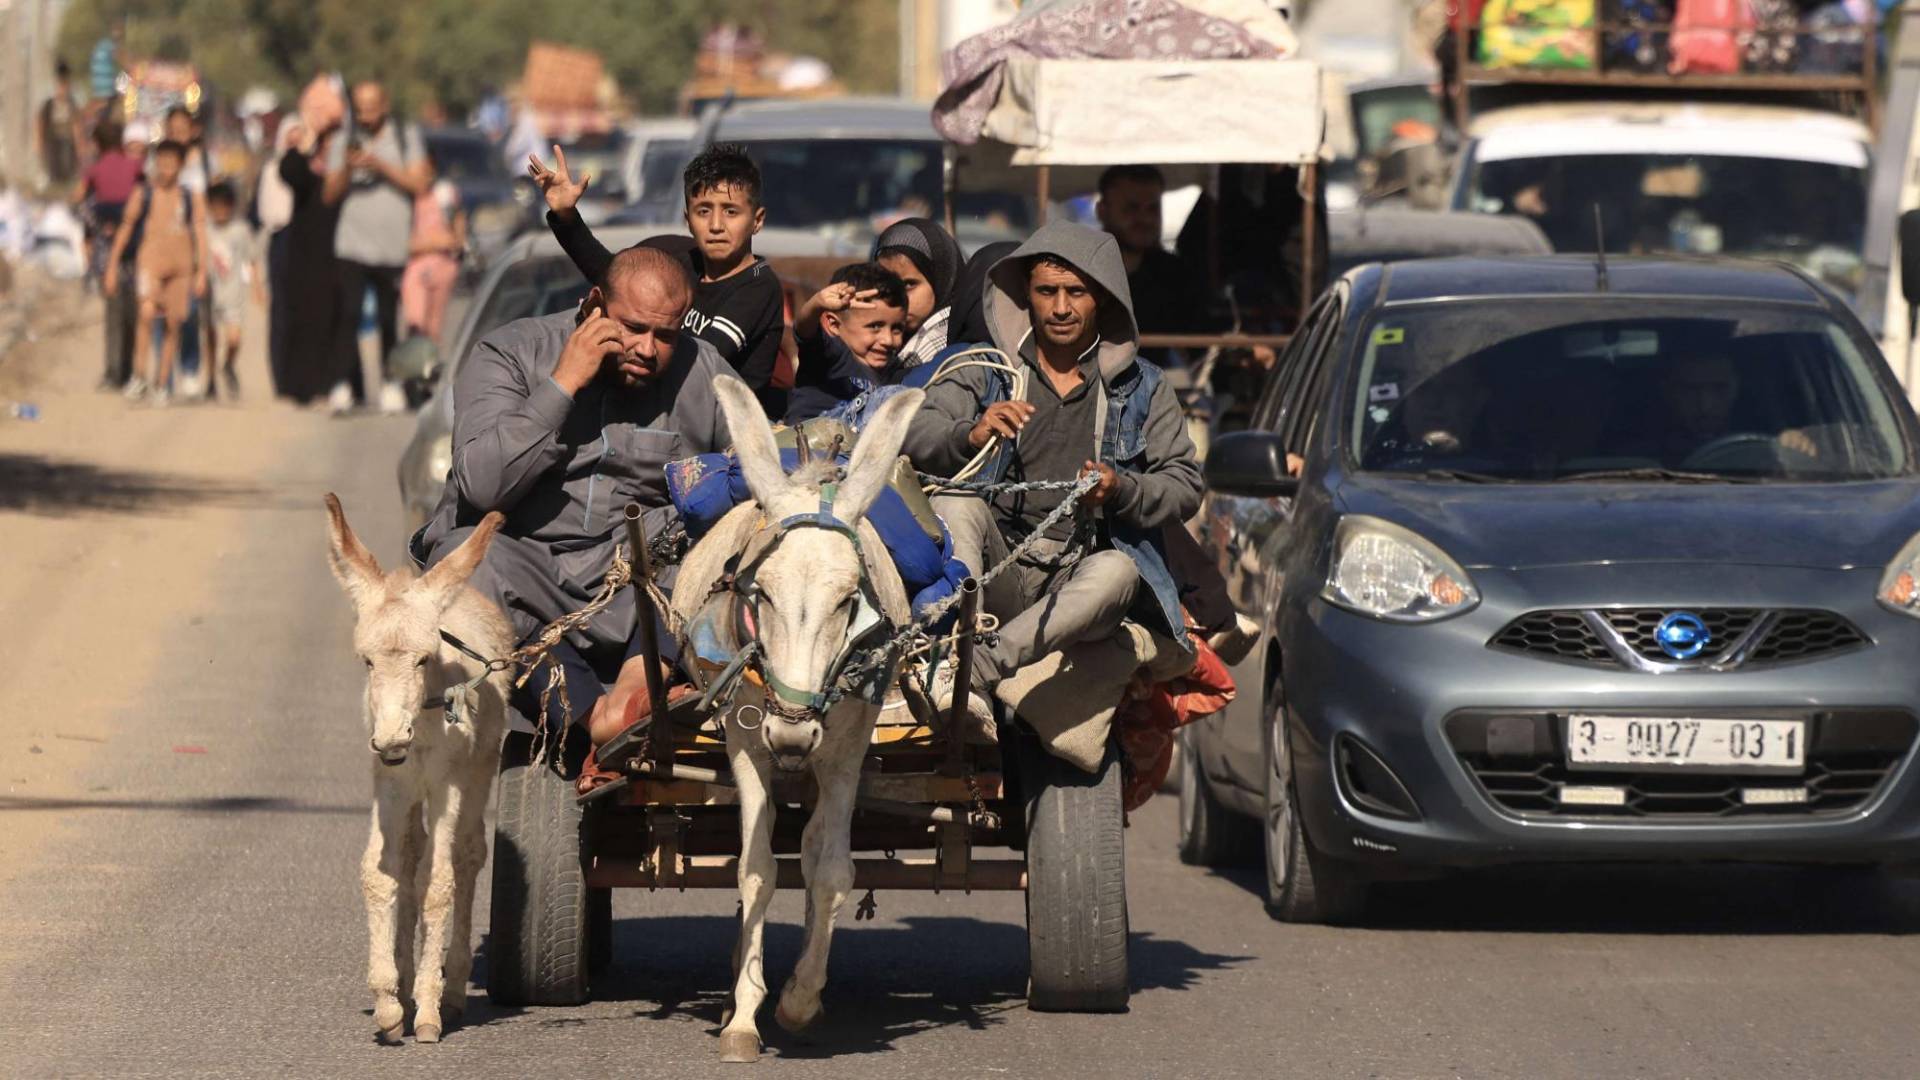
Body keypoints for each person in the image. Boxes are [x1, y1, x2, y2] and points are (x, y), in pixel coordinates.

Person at [415, 246, 735, 750]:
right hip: (530, 572)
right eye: (632, 328)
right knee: (463, 563)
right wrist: (563, 384)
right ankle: (595, 715)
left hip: (644, 583)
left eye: (666, 335)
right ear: (594, 306)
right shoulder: (512, 354)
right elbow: (481, 485)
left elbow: (757, 468)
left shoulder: (705, 372)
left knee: (721, 543)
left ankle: (637, 684)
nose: (648, 349)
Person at [902, 221, 1203, 725]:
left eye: (1076, 293)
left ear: (1102, 301)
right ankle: (958, 645)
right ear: (1028, 297)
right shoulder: (986, 370)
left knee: (1120, 571)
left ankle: (973, 671)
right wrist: (971, 434)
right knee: (958, 505)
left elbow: (1184, 484)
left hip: (1077, 573)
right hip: (996, 569)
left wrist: (1120, 489)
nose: (1061, 308)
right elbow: (915, 431)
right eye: (1047, 292)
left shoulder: (1144, 388)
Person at [531, 142, 786, 415]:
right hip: (658, 416)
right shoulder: (672, 255)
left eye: (730, 211)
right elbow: (614, 279)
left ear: (757, 220)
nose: (715, 226)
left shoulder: (759, 285)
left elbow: (705, 358)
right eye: (703, 211)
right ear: (687, 219)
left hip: (723, 434)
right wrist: (566, 216)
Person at [329, 80, 432, 414]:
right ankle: (345, 385)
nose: (365, 114)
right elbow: (328, 195)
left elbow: (418, 184)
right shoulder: (344, 140)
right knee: (348, 314)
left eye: (371, 106)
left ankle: (391, 384)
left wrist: (381, 166)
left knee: (389, 318)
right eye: (359, 107)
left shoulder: (405, 136)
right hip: (351, 242)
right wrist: (348, 166)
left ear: (385, 105)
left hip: (391, 247)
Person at [105, 140, 207, 407]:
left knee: (174, 323)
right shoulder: (144, 194)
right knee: (147, 314)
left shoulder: (189, 196)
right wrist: (112, 265)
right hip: (149, 263)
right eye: (161, 161)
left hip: (181, 267)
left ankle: (162, 383)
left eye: (172, 162)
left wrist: (201, 271)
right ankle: (139, 375)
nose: (166, 168)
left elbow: (200, 233)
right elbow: (126, 228)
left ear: (181, 166)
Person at [276, 112, 351, 406]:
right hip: (306, 257)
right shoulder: (307, 169)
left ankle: (333, 384)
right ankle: (301, 386)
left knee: (337, 321)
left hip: (342, 254)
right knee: (304, 320)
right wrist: (304, 144)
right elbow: (288, 171)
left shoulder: (347, 172)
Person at [784, 263, 910, 424]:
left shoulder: (892, 372)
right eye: (875, 326)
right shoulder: (831, 355)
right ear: (834, 325)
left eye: (897, 328)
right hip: (807, 442)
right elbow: (804, 330)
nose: (888, 340)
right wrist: (816, 304)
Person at [72, 119, 144, 389]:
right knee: (132, 313)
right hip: (135, 247)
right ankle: (131, 370)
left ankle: (113, 372)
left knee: (113, 314)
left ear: (98, 144)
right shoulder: (135, 167)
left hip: (107, 248)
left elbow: (78, 200)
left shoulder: (94, 170)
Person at [871, 217, 963, 366]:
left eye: (909, 284)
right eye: (886, 284)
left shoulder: (920, 351)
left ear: (940, 280)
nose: (897, 296)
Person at [400, 150, 465, 341]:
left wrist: (457, 239)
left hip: (444, 266)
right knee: (416, 322)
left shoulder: (443, 194)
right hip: (416, 266)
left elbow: (458, 219)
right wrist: (431, 243)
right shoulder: (406, 199)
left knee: (434, 327)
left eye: (427, 171)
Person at [203, 181, 254, 401]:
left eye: (224, 206)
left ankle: (228, 364)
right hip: (210, 293)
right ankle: (211, 379)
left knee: (234, 338)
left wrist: (256, 286)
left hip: (233, 293)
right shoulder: (205, 229)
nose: (220, 212)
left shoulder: (240, 230)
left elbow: (249, 260)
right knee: (211, 337)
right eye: (215, 207)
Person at [38, 60, 83, 188]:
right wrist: (40, 141)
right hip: (53, 138)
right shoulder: (49, 103)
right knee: (53, 166)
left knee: (67, 165)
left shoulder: (72, 102)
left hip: (67, 138)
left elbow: (76, 123)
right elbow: (41, 121)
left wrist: (79, 143)